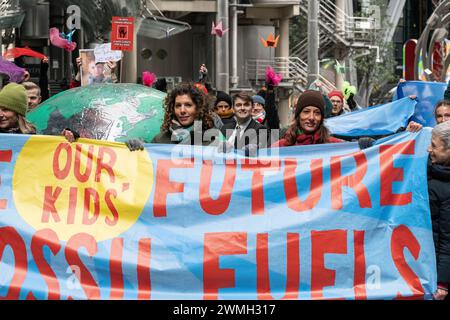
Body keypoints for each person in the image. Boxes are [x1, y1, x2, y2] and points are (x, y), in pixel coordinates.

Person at [427, 121, 450, 300]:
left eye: (434, 146)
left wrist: (442, 282)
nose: (429, 149)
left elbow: (447, 239)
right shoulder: (430, 168)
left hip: (434, 272)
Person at [272, 90, 343, 147]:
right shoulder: (280, 147)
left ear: (321, 118)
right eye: (306, 112)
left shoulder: (335, 146)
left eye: (317, 113)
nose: (311, 117)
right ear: (298, 115)